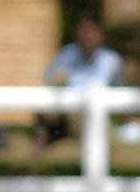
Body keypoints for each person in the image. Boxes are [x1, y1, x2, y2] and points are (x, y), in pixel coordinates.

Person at [40, 16, 123, 147]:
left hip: (95, 113)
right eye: (84, 31)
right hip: (65, 111)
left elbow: (119, 90)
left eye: (92, 31)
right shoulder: (66, 55)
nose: (88, 36)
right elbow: (49, 81)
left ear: (101, 35)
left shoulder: (111, 60)